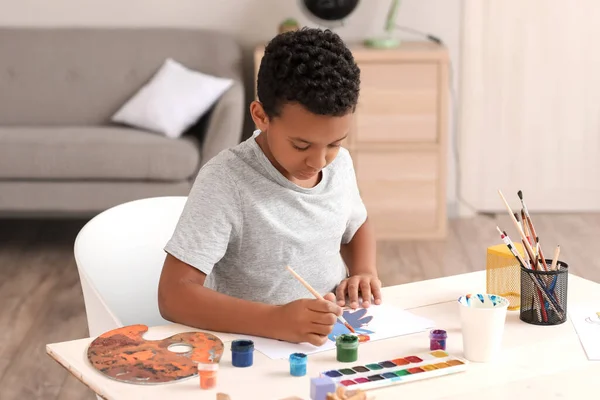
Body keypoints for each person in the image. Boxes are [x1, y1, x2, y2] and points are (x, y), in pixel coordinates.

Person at [158, 27, 381, 347]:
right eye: (301, 145)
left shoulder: (339, 164)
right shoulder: (226, 181)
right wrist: (275, 321)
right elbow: (173, 296)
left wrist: (363, 269)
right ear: (261, 116)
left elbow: (356, 224)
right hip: (251, 346)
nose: (319, 161)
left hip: (329, 340)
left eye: (333, 142)